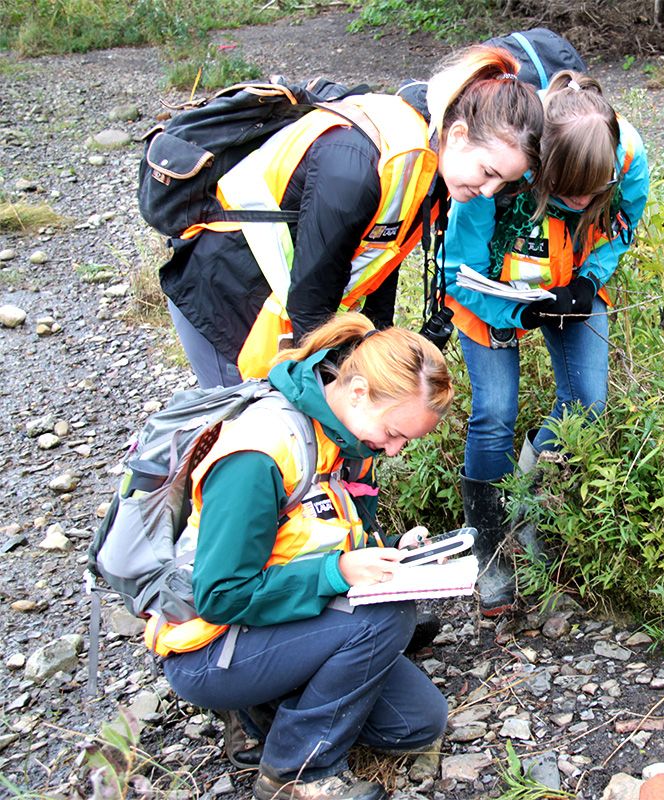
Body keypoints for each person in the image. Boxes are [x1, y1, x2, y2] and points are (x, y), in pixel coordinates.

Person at [148, 313, 454, 800]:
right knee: (386, 620)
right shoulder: (260, 454)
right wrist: (337, 573)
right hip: (210, 647)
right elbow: (220, 595)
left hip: (269, 627)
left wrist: (394, 554)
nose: (395, 451)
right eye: (395, 433)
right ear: (356, 392)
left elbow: (309, 538)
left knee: (417, 722)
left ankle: (263, 708)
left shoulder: (342, 437)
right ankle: (296, 773)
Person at [160, 47, 543, 389]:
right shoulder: (358, 166)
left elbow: (383, 255)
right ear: (458, 134)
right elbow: (312, 302)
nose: (491, 191)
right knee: (249, 432)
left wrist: (378, 344)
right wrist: (348, 382)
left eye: (504, 182)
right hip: (224, 290)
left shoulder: (430, 161)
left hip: (286, 298)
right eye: (490, 172)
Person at [440, 69, 650, 616]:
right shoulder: (500, 170)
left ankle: (527, 515)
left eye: (591, 195)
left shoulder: (625, 156)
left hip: (571, 281)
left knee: (587, 404)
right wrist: (518, 310)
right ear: (535, 172)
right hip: (493, 289)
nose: (581, 204)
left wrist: (589, 279)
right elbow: (459, 269)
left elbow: (625, 221)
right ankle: (488, 551)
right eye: (565, 195)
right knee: (494, 410)